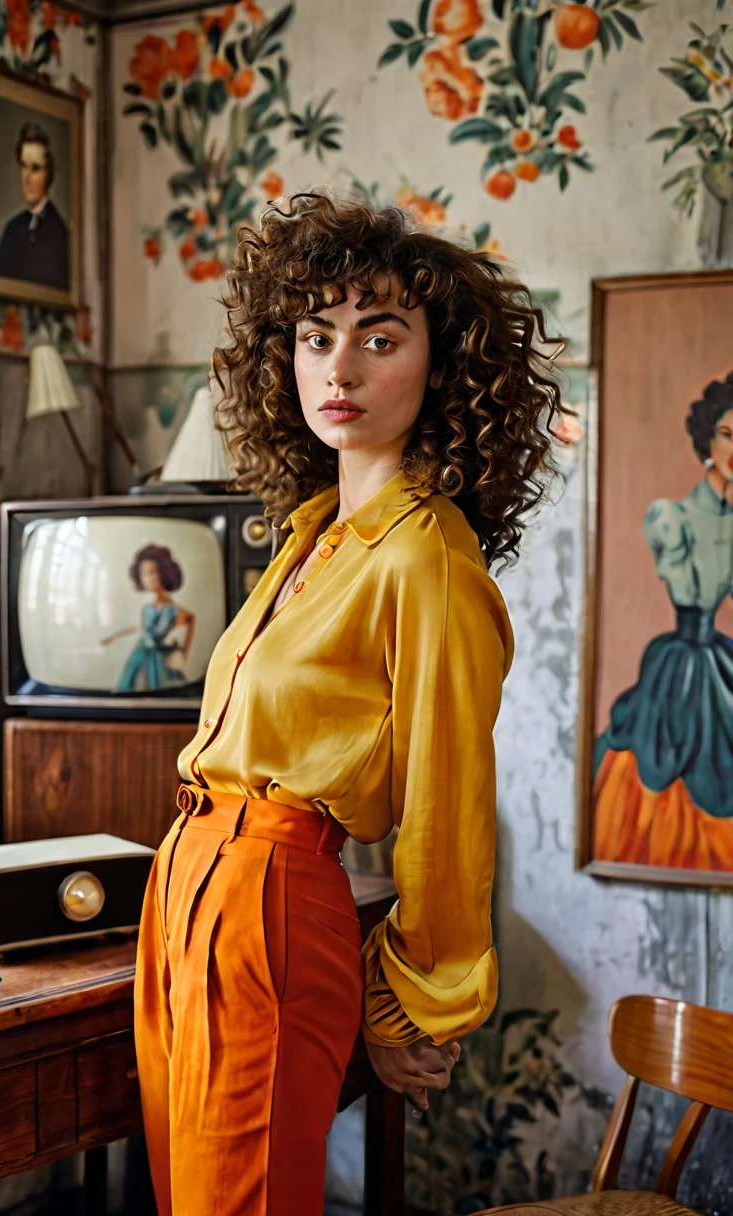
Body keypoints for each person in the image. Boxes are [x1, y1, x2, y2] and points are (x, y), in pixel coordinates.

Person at [134, 190, 563, 1216]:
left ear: (441, 359)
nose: (339, 368)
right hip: (183, 888)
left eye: (379, 337)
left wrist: (409, 1000)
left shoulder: (429, 558)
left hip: (274, 898)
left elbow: (450, 810)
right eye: (316, 335)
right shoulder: (311, 530)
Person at [593, 371, 733, 870]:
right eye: (728, 434)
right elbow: (689, 587)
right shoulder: (671, 516)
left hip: (720, 656)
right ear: (708, 440)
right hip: (681, 659)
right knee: (658, 759)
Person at [101, 544, 196, 691]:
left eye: (153, 572)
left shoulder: (174, 609)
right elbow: (137, 628)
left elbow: (190, 620)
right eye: (144, 574)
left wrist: (183, 656)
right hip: (140, 655)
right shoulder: (146, 609)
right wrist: (113, 637)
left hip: (160, 658)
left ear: (164, 573)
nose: (149, 579)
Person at [0, 120, 69, 290]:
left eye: (35, 168)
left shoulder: (60, 233)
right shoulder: (12, 228)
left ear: (48, 173)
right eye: (24, 166)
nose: (27, 177)